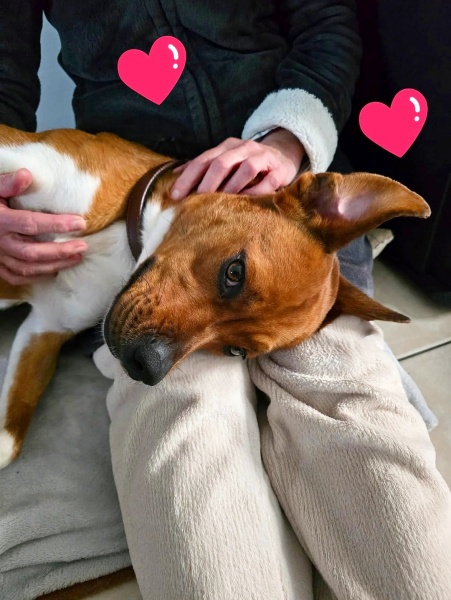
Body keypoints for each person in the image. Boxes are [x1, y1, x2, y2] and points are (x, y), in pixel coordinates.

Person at [0, 1, 449, 598]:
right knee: (176, 401)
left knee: (342, 381)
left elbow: (327, 25)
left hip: (288, 191)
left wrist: (286, 140)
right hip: (146, 194)